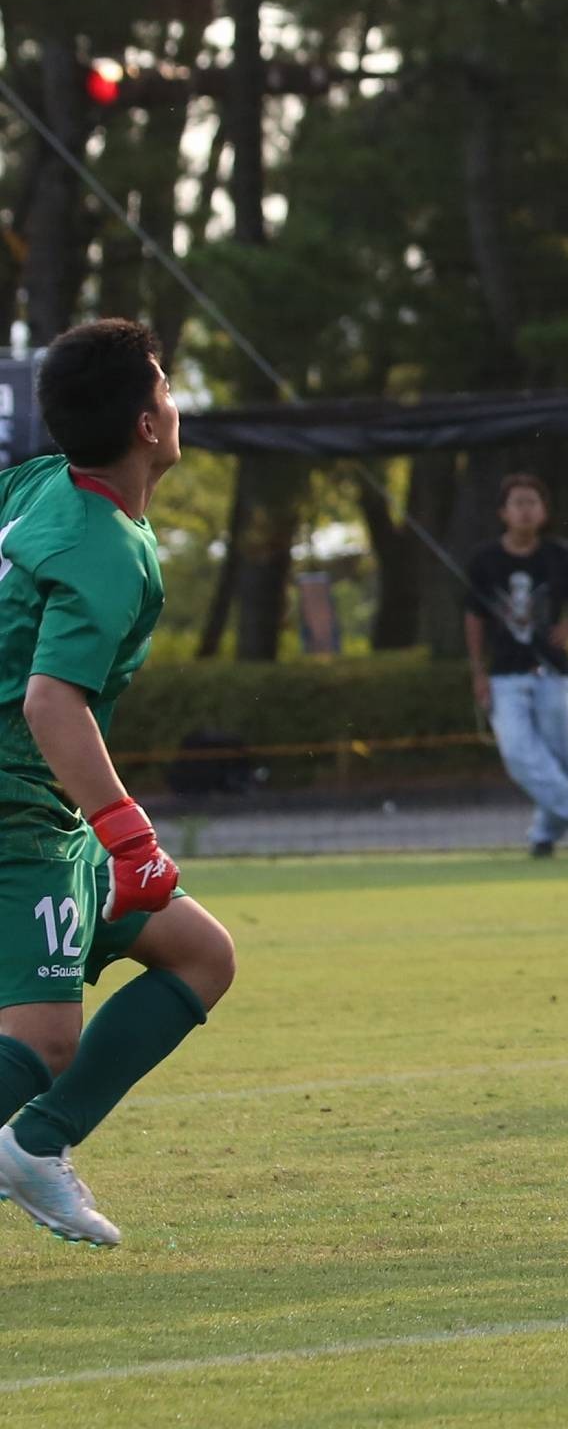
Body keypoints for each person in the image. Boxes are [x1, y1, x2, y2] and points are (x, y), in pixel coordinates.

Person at [0, 319, 236, 1248]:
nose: (177, 403)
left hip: (46, 808)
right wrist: (130, 839)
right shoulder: (105, 546)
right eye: (168, 387)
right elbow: (51, 703)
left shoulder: (35, 484)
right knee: (47, 1039)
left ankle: (36, 1146)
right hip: (20, 808)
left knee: (201, 955)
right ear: (146, 426)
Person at [464, 475, 568, 859]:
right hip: (505, 675)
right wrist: (478, 671)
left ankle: (546, 835)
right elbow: (474, 618)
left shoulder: (559, 555)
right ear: (503, 513)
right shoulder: (485, 561)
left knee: (563, 758)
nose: (525, 510)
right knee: (517, 752)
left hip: (553, 672)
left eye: (532, 502)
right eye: (518, 503)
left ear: (543, 512)